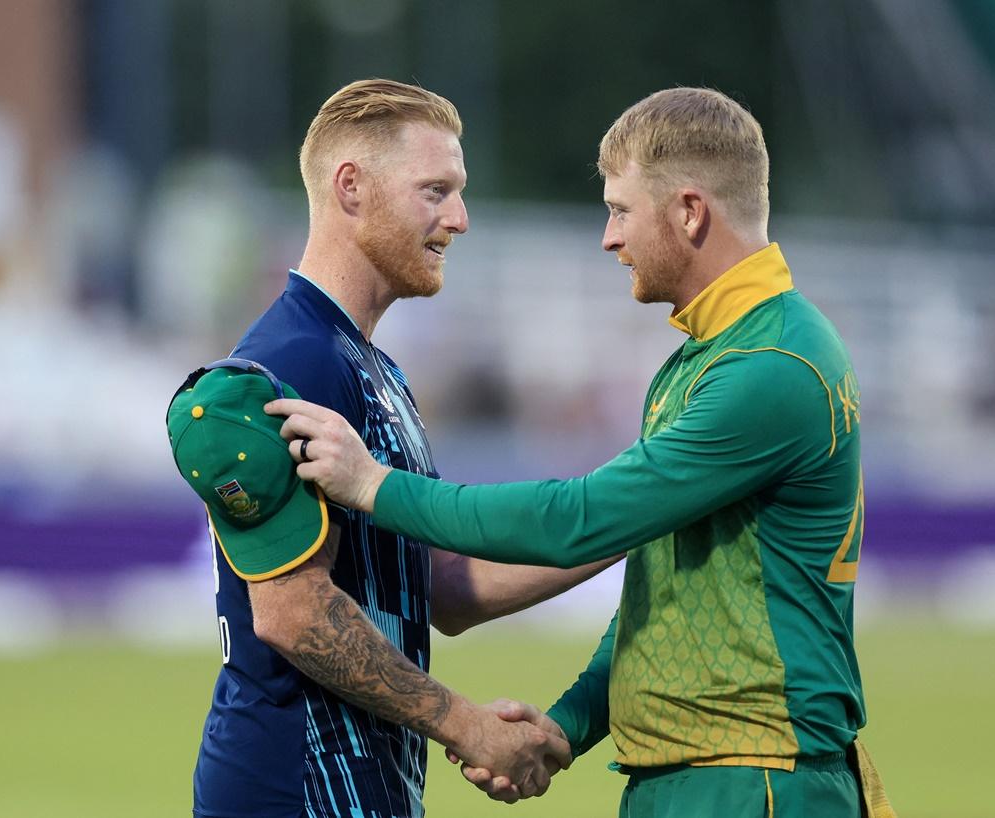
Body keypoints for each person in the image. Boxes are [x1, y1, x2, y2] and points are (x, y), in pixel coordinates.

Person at [267, 87, 896, 818]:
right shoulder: (712, 357)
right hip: (701, 773)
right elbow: (668, 593)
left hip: (755, 779)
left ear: (690, 212)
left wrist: (374, 486)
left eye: (621, 210)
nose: (608, 236)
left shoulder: (773, 367)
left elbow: (580, 518)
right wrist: (568, 727)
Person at [171, 79, 619, 818]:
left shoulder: (373, 367)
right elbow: (294, 614)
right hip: (292, 788)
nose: (461, 218)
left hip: (361, 789)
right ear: (352, 187)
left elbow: (437, 584)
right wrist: (465, 725)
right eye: (435, 190)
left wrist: (633, 524)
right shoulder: (294, 363)